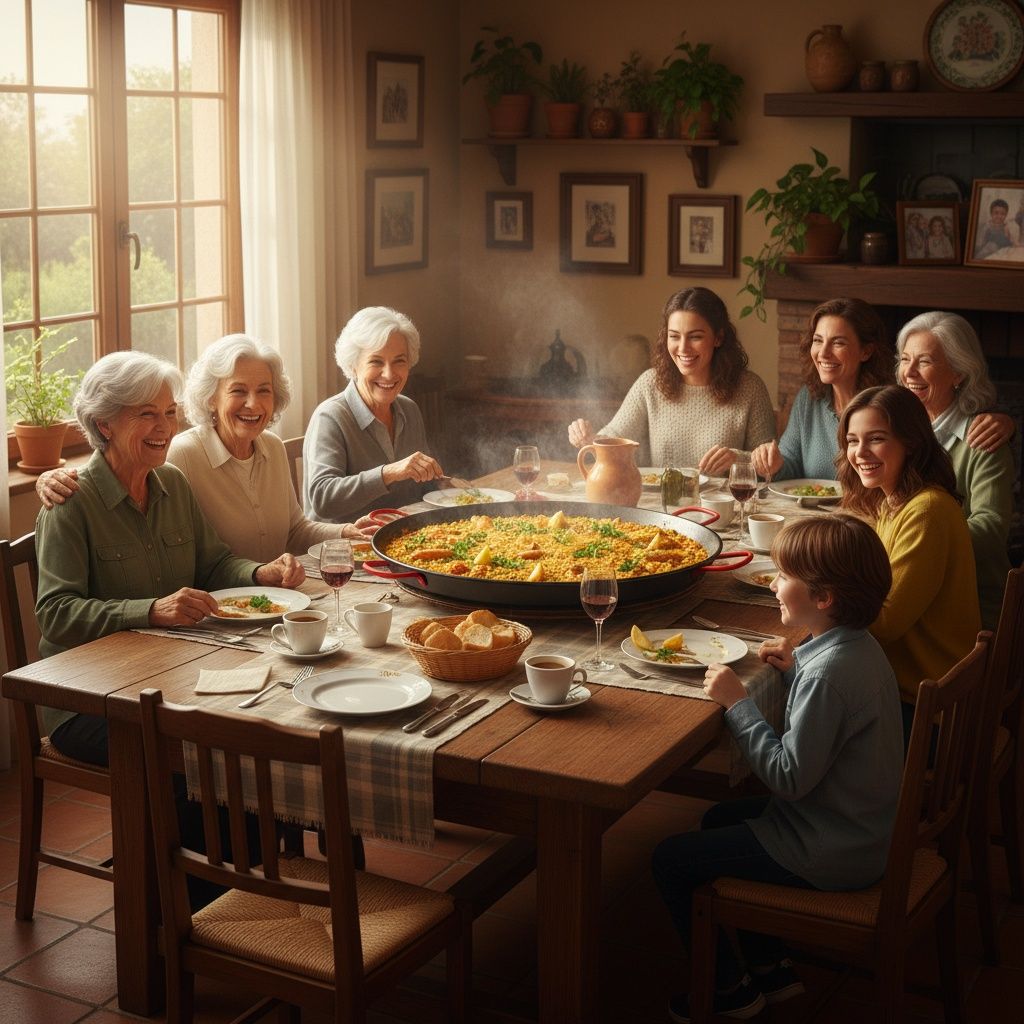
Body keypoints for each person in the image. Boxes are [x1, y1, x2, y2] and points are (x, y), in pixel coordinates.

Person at [652, 515, 903, 1023]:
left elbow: (789, 778)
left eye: (783, 574)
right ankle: (769, 967)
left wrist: (737, 704)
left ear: (824, 598)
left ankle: (729, 992)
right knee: (717, 820)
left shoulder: (828, 676)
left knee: (669, 859)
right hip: (862, 826)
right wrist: (794, 674)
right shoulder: (854, 647)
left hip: (833, 848)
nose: (772, 581)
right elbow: (827, 731)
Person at [34, 351, 304, 767]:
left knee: (268, 723)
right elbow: (56, 614)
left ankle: (248, 830)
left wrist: (258, 572)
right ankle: (188, 834)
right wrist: (151, 611)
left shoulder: (172, 484)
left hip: (165, 676)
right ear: (104, 423)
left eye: (169, 412)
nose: (164, 428)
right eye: (146, 414)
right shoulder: (70, 502)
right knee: (206, 754)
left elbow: (213, 563)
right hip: (90, 699)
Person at [35, 334, 378, 561]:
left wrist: (346, 532)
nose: (253, 404)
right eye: (238, 391)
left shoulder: (272, 447)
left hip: (268, 602)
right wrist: (49, 478)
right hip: (214, 616)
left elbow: (295, 530)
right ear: (211, 398)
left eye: (264, 391)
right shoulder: (178, 456)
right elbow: (118, 470)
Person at [838, 385, 980, 743]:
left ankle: (792, 794)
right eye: (852, 441)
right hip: (906, 689)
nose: (859, 453)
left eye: (876, 439)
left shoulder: (926, 511)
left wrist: (815, 605)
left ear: (911, 442)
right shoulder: (892, 502)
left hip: (928, 710)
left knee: (800, 710)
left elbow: (884, 622)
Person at [567, 287, 775, 476]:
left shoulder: (750, 388)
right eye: (674, 336)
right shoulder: (650, 383)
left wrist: (737, 459)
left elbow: (770, 465)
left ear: (718, 338)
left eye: (695, 337)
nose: (683, 348)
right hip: (662, 507)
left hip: (725, 508)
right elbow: (615, 437)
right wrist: (590, 439)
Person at [897, 312, 1014, 629]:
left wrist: (921, 545)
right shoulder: (898, 433)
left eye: (924, 362)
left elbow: (991, 528)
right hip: (909, 588)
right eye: (905, 359)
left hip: (971, 606)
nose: (908, 372)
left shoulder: (985, 441)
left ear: (959, 373)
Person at [304, 306, 445, 521]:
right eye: (376, 361)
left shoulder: (409, 409)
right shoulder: (331, 416)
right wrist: (389, 472)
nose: (389, 374)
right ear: (353, 365)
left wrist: (444, 484)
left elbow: (422, 485)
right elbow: (323, 498)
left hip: (398, 537)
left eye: (399, 360)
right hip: (341, 546)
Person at [751, 297, 893, 482]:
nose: (823, 353)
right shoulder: (808, 398)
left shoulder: (887, 404)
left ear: (866, 351)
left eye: (838, 343)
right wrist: (775, 464)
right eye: (818, 340)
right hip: (813, 511)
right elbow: (791, 463)